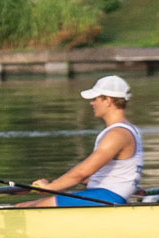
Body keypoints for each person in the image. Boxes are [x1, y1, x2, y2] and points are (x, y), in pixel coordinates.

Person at [21, 74, 142, 206]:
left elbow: (82, 172)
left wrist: (50, 187)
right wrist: (56, 184)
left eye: (95, 99)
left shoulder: (117, 134)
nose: (92, 103)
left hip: (105, 197)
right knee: (24, 205)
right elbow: (89, 176)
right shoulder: (128, 130)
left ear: (108, 100)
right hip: (105, 195)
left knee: (26, 208)